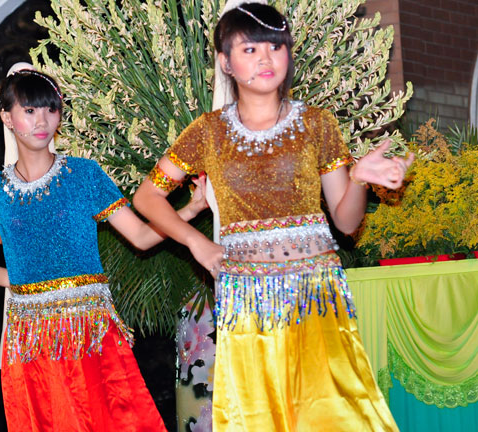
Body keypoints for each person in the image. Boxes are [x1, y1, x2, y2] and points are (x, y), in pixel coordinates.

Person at [132, 4, 413, 431]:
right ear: (226, 62)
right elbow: (147, 197)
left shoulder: (317, 124)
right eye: (250, 49)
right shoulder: (206, 131)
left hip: (314, 295)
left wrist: (358, 179)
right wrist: (195, 241)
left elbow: (346, 222)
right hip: (246, 301)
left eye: (276, 47)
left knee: (334, 416)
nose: (266, 58)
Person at [0, 67, 208, 432]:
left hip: (90, 331)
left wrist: (191, 209)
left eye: (50, 109)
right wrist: (11, 278)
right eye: (29, 110)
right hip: (32, 337)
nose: (42, 121)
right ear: (7, 117)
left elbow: (142, 237)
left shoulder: (84, 175)